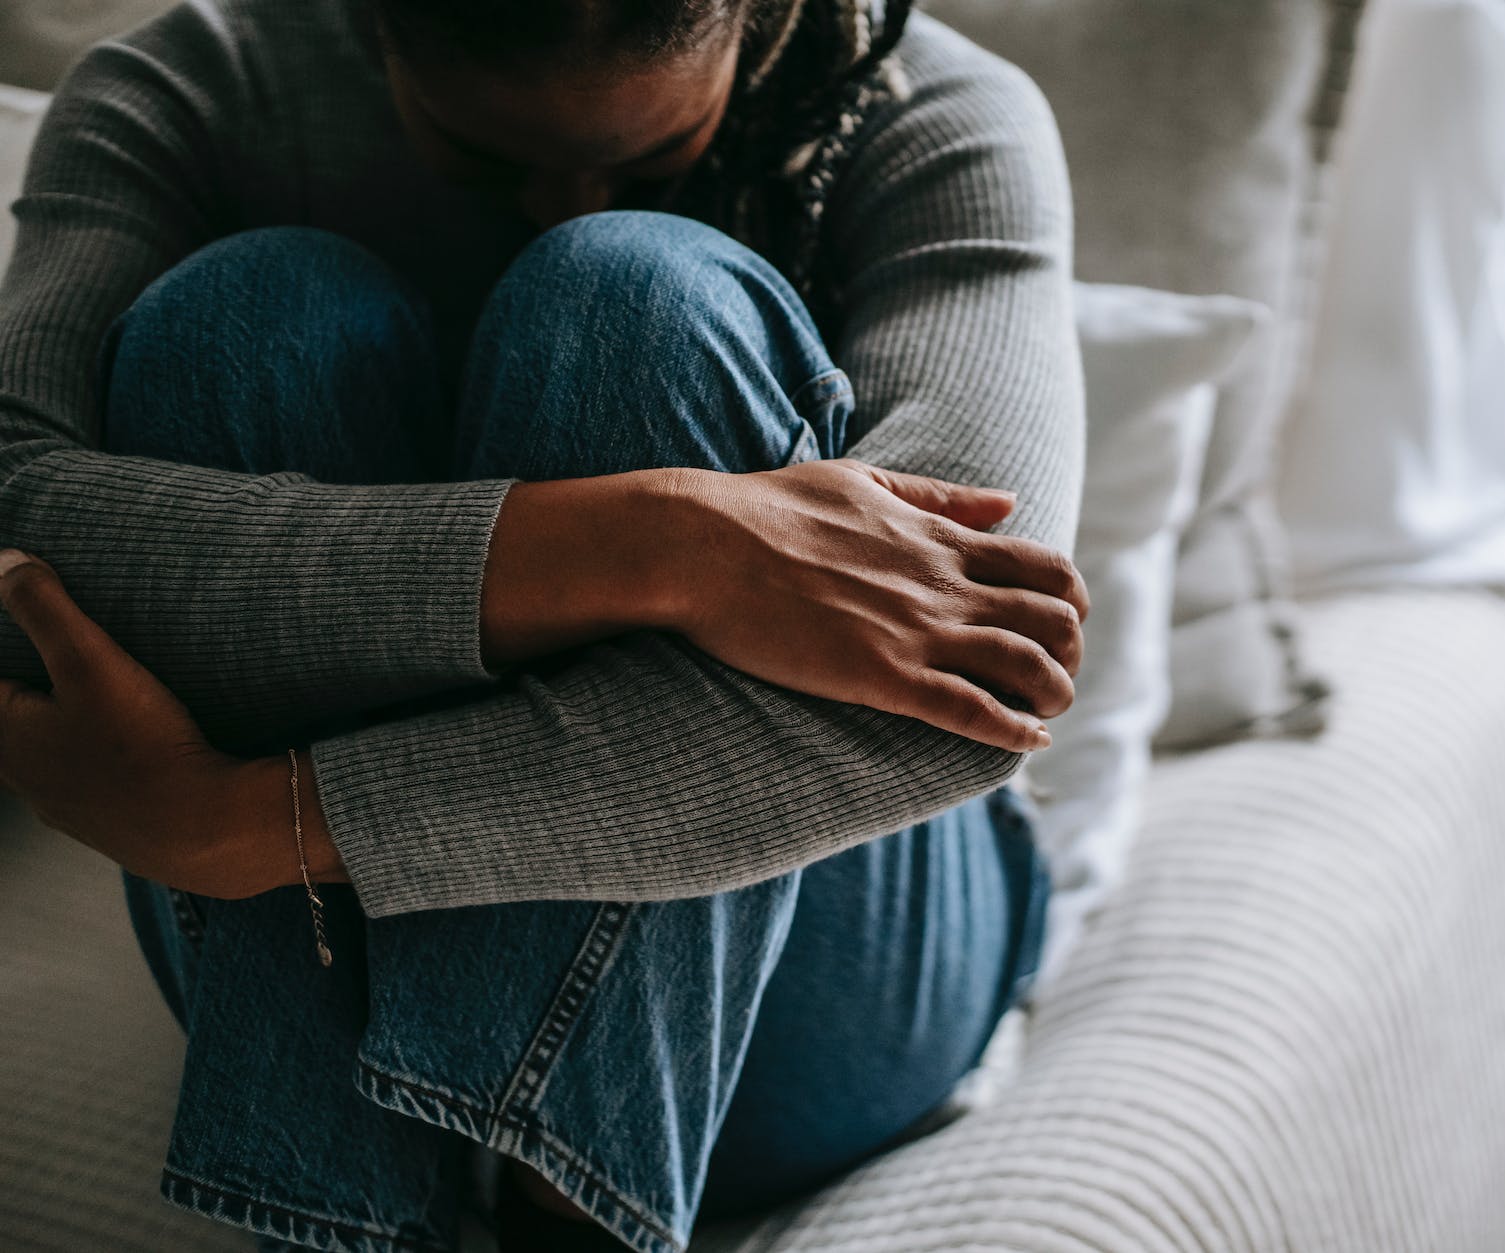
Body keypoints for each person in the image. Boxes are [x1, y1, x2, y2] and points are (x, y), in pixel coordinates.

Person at [0, 0, 1085, 1247]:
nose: (559, 200)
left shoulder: (930, 116)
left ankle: (568, 1218)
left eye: (654, 154)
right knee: (243, 319)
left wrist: (250, 824)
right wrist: (668, 543)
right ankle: (348, 1213)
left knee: (635, 295)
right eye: (482, 155)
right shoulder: (193, 86)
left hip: (810, 972)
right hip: (325, 954)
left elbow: (978, 690)